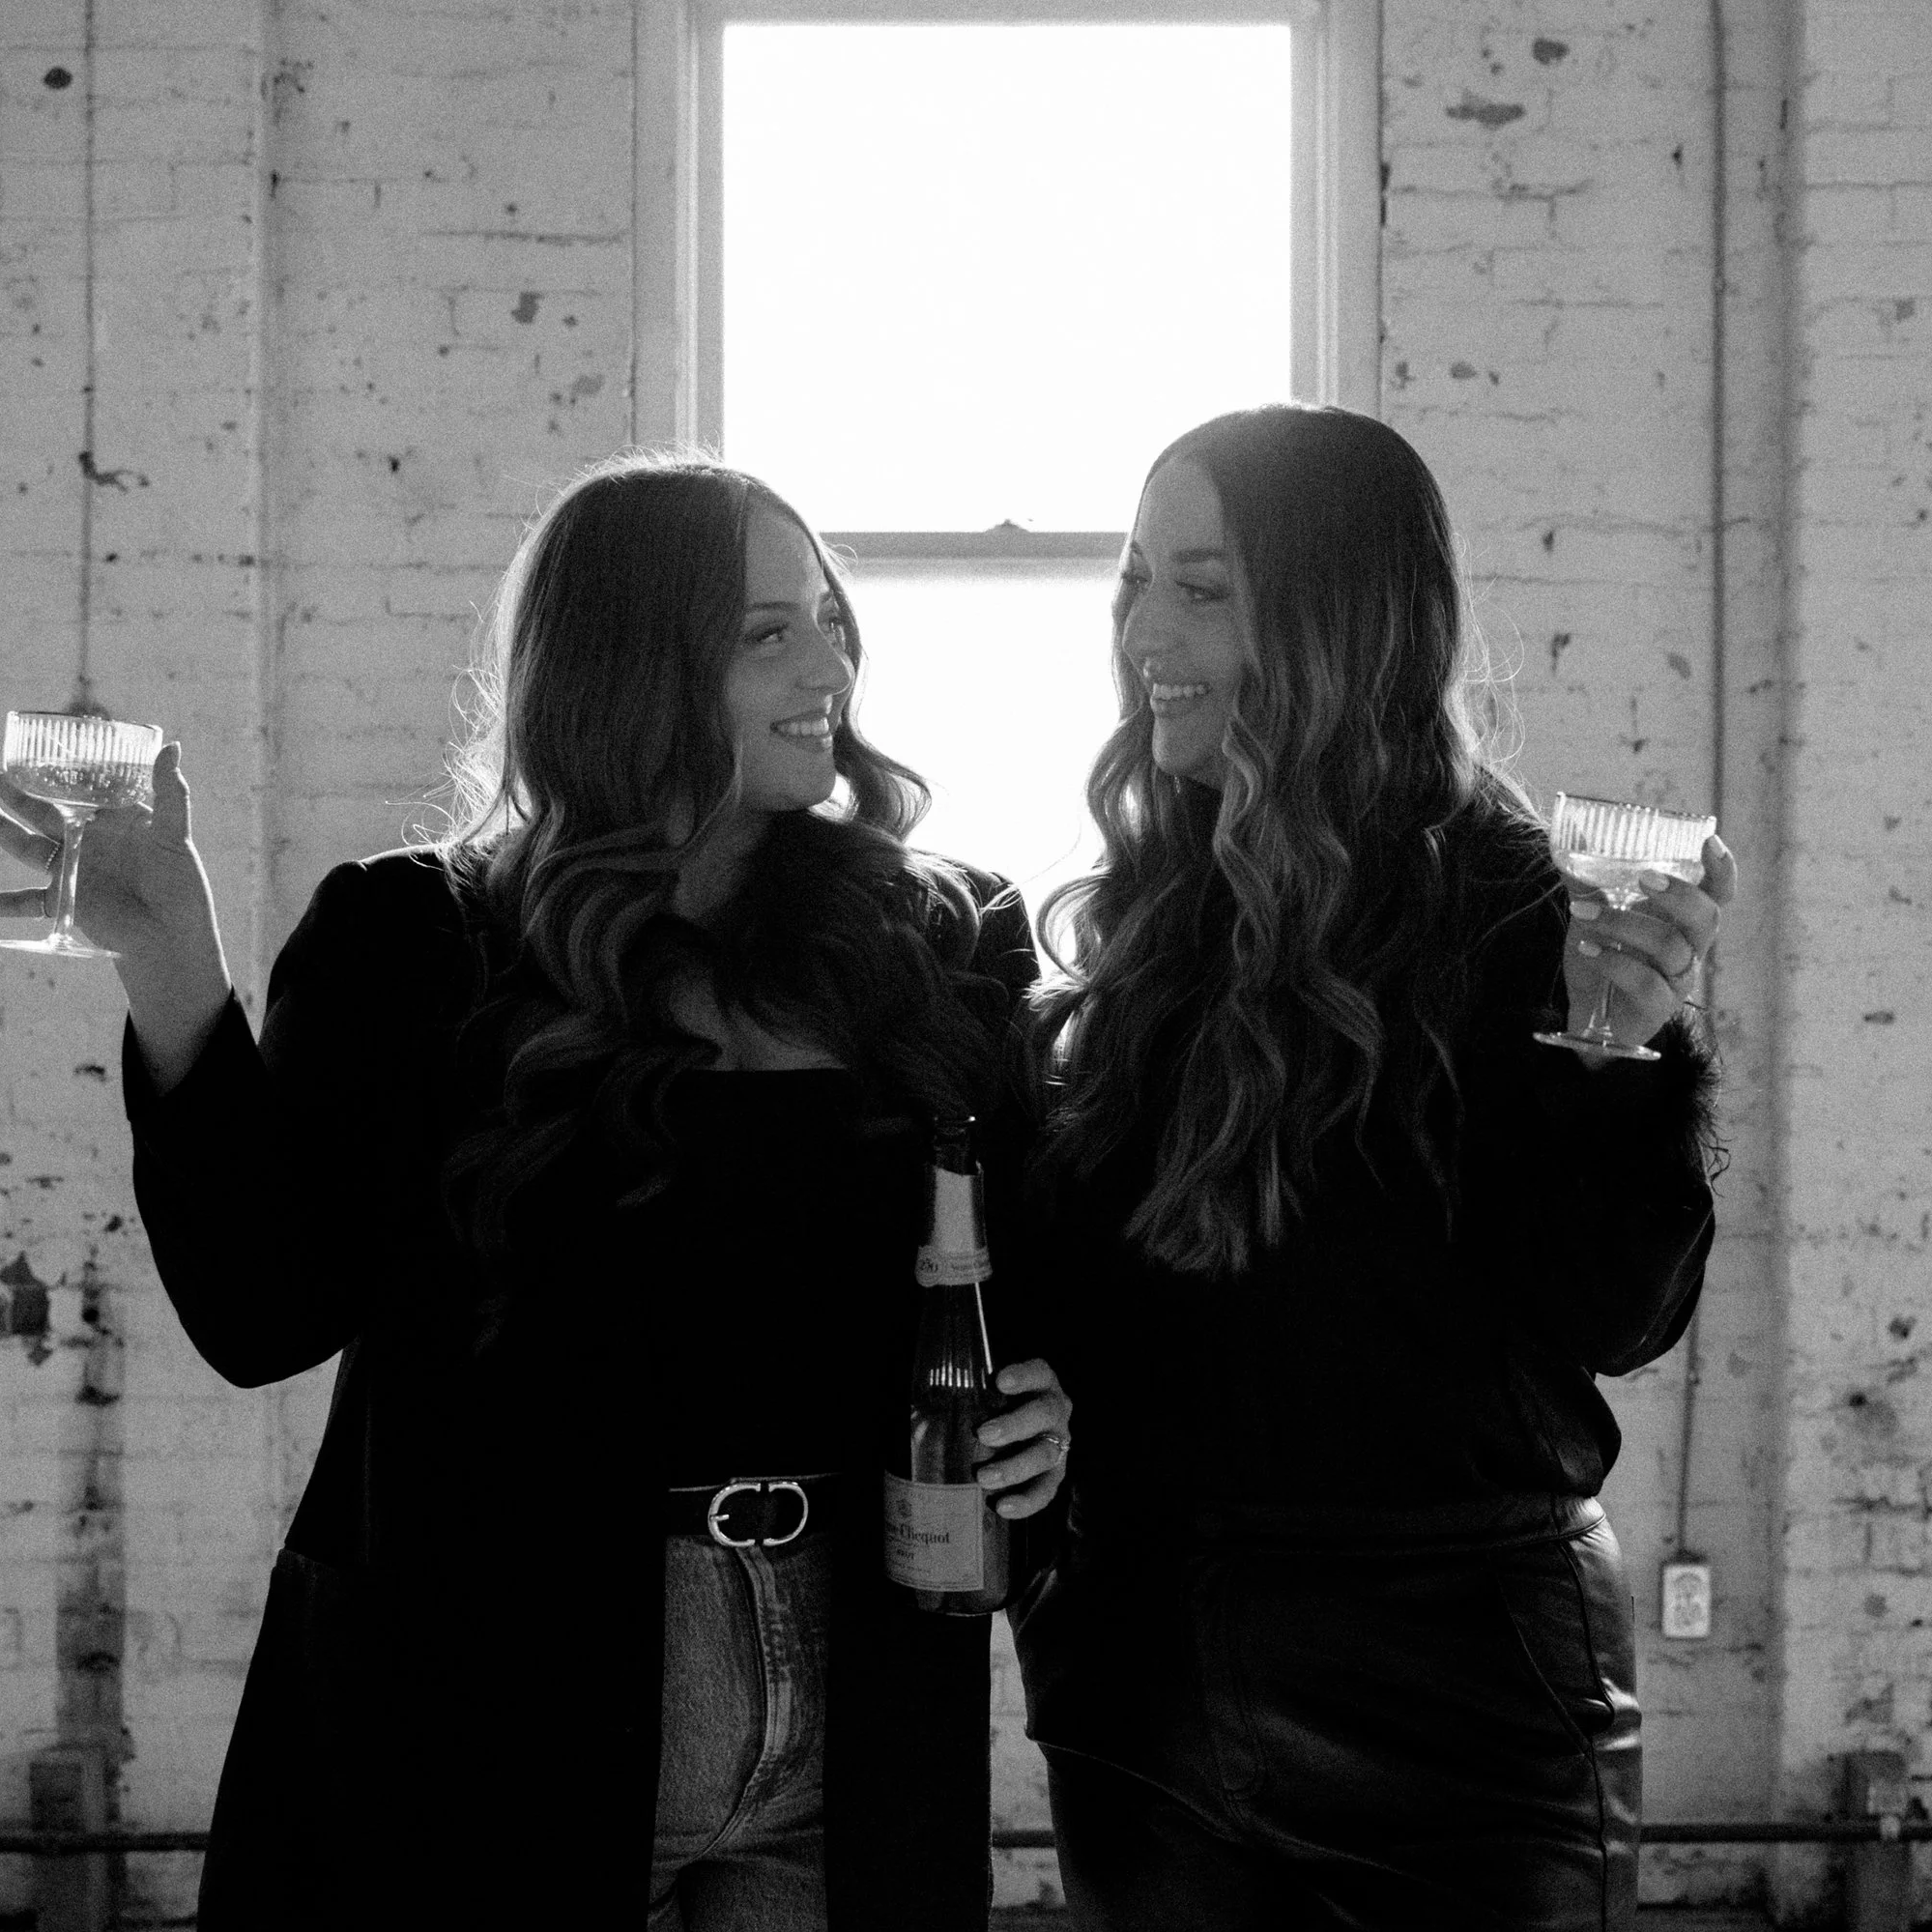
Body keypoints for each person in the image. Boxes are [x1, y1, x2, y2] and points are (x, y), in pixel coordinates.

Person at [0, 450, 1071, 1931]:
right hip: (489, 1701)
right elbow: (263, 1310)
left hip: (855, 1689)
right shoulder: (415, 940)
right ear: (628, 666)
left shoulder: (945, 938)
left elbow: (1036, 1289)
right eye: (767, 630)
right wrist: (171, 958)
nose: (830, 661)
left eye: (827, 617)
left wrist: (1045, 1402)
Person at [1014, 404, 1733, 1932]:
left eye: (1201, 587)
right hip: (1147, 1669)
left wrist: (1626, 1050)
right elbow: (1088, 1289)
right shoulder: (1143, 918)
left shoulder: (1530, 905)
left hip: (1459, 1684)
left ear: (1339, 617)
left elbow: (1613, 1312)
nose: (1145, 628)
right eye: (1135, 579)